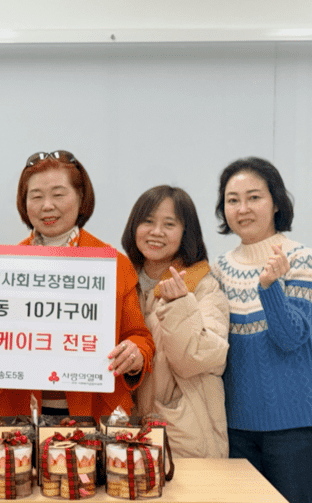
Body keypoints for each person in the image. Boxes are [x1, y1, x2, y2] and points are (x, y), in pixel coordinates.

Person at [0, 151, 155, 418]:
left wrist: (135, 354)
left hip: (97, 410)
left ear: (81, 197)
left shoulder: (113, 264)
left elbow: (139, 337)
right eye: (36, 196)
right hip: (17, 408)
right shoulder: (4, 267)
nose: (47, 206)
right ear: (24, 202)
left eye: (58, 194)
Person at [211, 157, 312, 503]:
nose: (243, 208)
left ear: (276, 202)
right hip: (236, 428)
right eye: (233, 200)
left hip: (293, 429)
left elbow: (290, 338)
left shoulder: (302, 258)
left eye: (254, 197)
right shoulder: (219, 270)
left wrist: (270, 286)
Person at [121, 185, 229, 458]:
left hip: (184, 435)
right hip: (125, 430)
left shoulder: (202, 285)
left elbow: (199, 358)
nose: (156, 232)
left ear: (185, 233)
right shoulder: (120, 280)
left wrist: (180, 305)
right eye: (148, 221)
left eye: (169, 224)